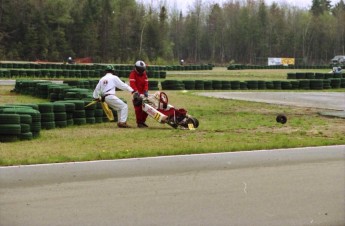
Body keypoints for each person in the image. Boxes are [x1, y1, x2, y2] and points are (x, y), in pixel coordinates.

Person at [129, 60, 149, 128]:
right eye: (140, 69)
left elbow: (146, 83)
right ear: (137, 68)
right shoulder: (133, 73)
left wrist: (145, 91)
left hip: (143, 93)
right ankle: (139, 123)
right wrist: (136, 92)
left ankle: (143, 121)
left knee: (147, 108)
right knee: (138, 109)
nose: (141, 71)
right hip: (136, 93)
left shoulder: (144, 74)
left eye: (142, 69)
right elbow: (132, 84)